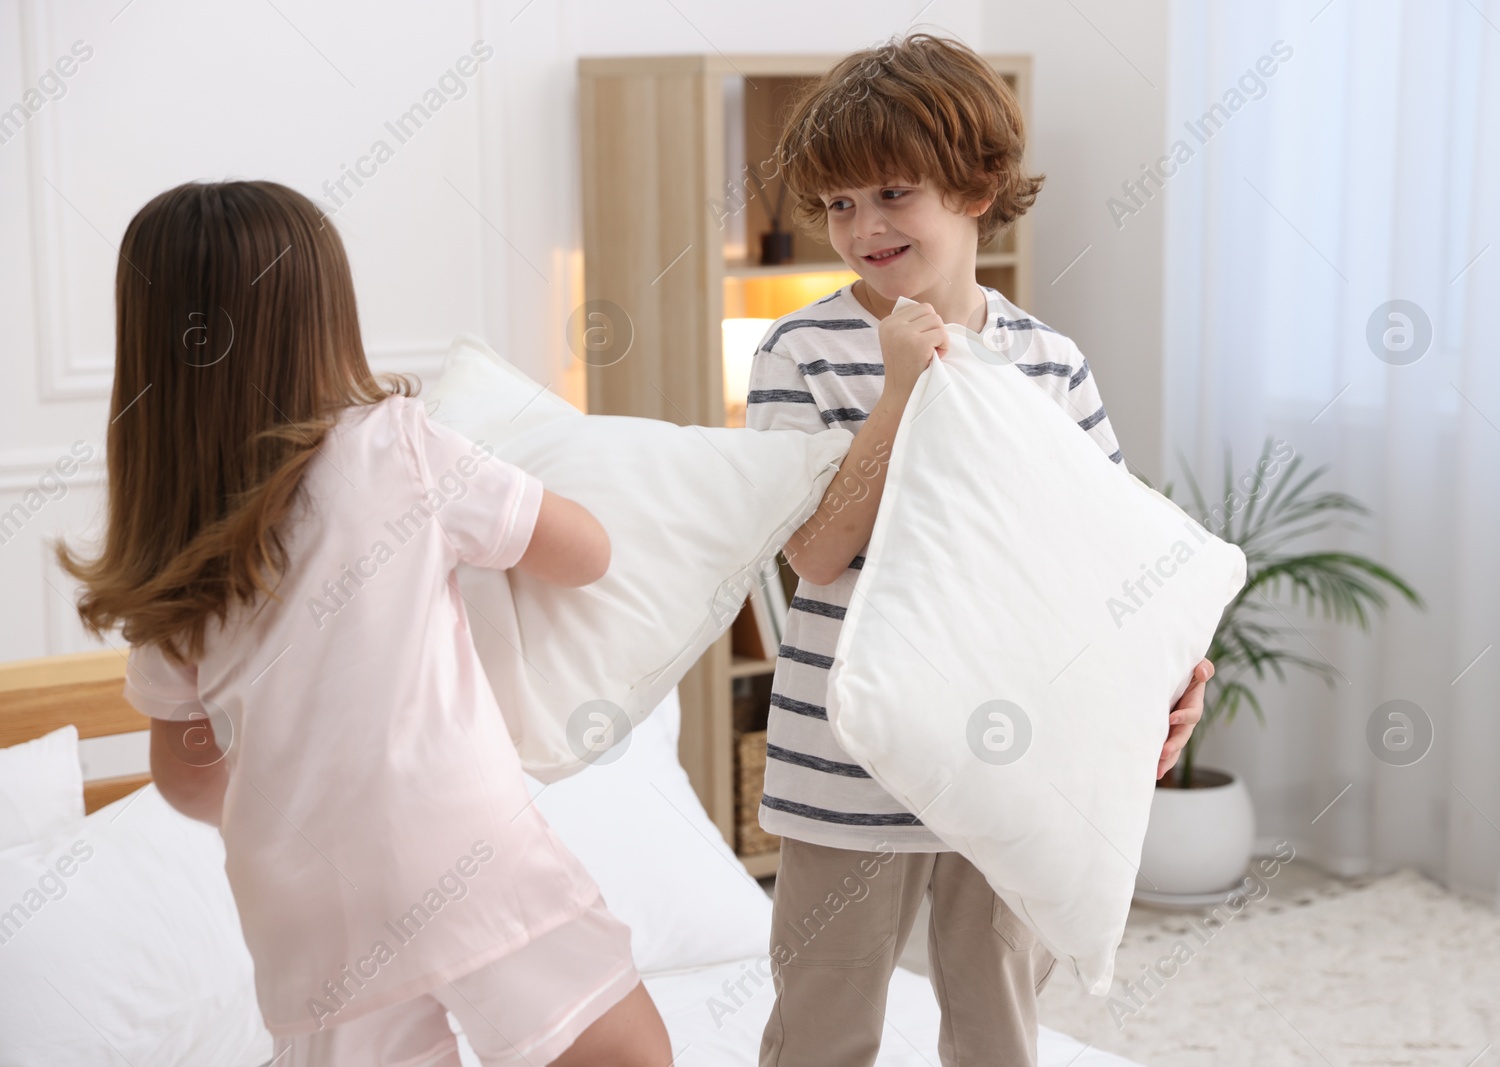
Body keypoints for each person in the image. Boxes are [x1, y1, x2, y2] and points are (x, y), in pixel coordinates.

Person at [57, 180, 672, 1067]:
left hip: (298, 904)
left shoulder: (171, 547)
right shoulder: (399, 448)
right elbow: (588, 552)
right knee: (625, 1054)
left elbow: (186, 778)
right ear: (323, 319)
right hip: (458, 850)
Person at [743, 34, 1214, 1066]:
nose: (862, 226)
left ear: (976, 185)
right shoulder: (798, 353)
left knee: (998, 1021)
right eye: (836, 204)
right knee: (823, 1026)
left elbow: (1107, 557)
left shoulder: (1049, 358)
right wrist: (903, 387)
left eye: (892, 193)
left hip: (1017, 752)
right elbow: (817, 554)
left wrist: (1177, 673)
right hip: (847, 757)